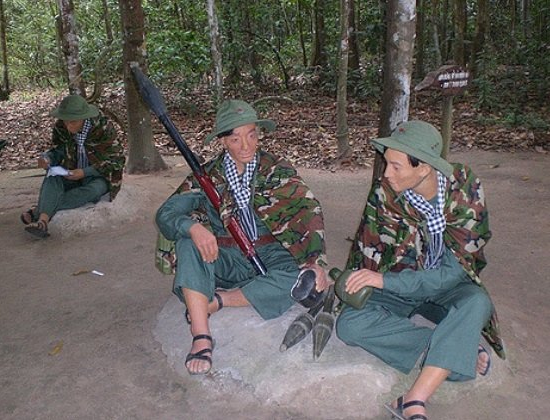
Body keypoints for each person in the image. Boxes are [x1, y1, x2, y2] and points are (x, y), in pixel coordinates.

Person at [335, 121, 505, 420]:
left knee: (477, 301)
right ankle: (453, 349)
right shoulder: (384, 194)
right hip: (401, 284)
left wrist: (383, 280)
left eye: (396, 166)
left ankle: (413, 398)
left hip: (446, 284)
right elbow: (367, 249)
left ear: (424, 168)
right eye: (386, 163)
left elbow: (454, 273)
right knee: (349, 325)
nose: (386, 173)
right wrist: (362, 282)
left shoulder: (465, 189)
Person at [155, 99, 328, 375]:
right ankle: (201, 336)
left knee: (300, 279)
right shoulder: (207, 176)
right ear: (223, 141)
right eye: (235, 139)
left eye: (251, 135)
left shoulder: (275, 169)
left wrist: (316, 260)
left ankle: (216, 302)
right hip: (225, 257)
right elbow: (166, 213)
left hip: (271, 255)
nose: (246, 145)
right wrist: (193, 228)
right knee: (188, 244)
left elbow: (308, 211)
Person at [20, 95, 125, 238]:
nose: (68, 126)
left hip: (98, 176)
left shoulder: (103, 127)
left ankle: (39, 211)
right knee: (52, 176)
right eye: (65, 121)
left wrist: (85, 172)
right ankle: (43, 222)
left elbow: (117, 160)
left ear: (84, 118)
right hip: (70, 172)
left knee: (93, 190)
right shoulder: (60, 127)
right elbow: (58, 150)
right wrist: (47, 158)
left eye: (73, 122)